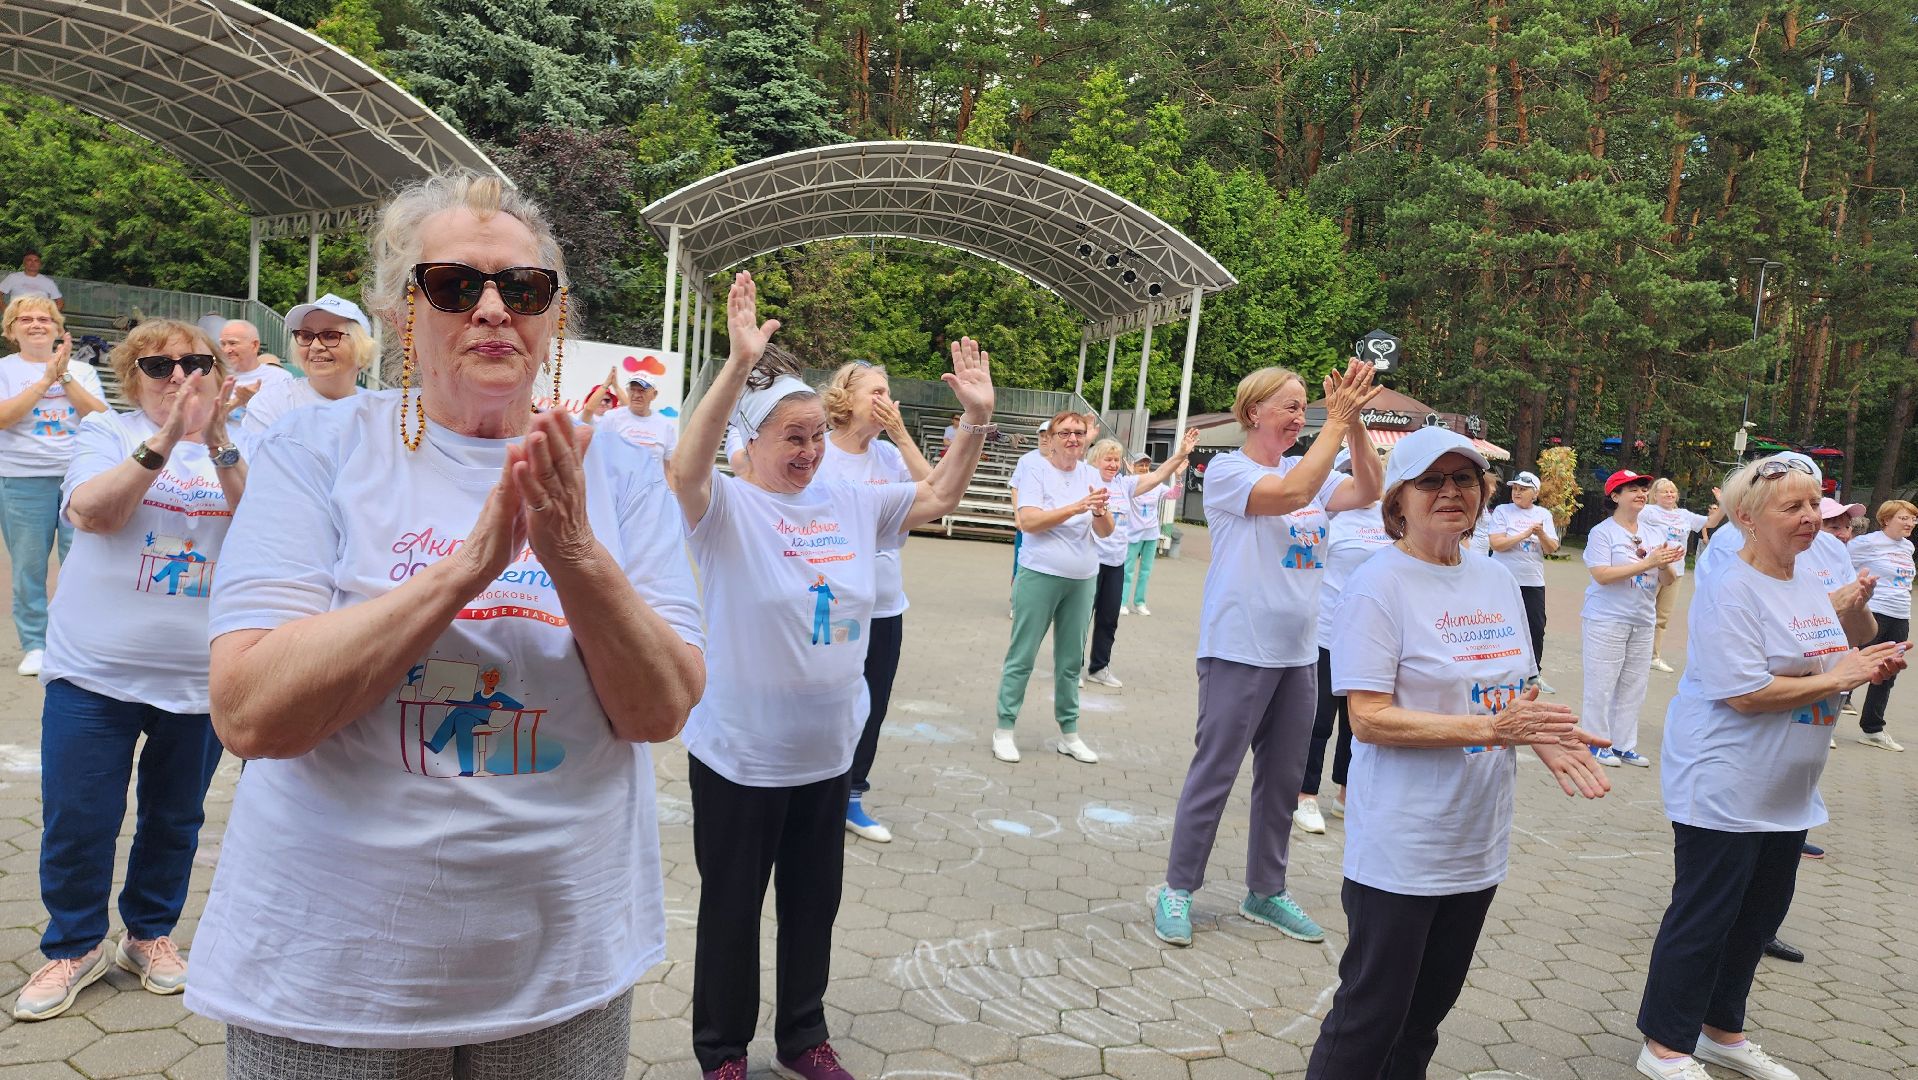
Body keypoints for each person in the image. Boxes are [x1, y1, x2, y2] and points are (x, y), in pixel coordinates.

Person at [186, 172, 707, 1079]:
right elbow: (251, 713)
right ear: (402, 310)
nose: (494, 309)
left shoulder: (617, 473)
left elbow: (659, 710)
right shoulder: (321, 450)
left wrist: (575, 553)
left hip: (559, 967)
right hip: (337, 979)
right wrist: (467, 569)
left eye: (524, 288)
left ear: (554, 314)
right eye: (457, 286)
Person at [668, 272, 993, 1080]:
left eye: (817, 434)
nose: (810, 450)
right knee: (733, 911)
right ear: (751, 443)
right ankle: (723, 1051)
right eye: (792, 437)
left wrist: (977, 423)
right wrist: (740, 365)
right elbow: (685, 468)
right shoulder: (728, 509)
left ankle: (802, 1037)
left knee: (813, 907)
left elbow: (942, 495)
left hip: (824, 756)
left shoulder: (857, 503)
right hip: (740, 758)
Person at [1303, 426, 1610, 1080]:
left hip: (1476, 837)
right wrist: (1490, 733)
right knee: (1370, 1018)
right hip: (1403, 844)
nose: (1450, 492)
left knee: (1423, 1022)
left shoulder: (1496, 579)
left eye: (1463, 479)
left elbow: (1516, 686)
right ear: (1398, 501)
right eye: (1431, 481)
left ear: (1483, 493)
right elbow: (1370, 719)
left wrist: (1546, 735)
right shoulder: (1377, 584)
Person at [1634, 454, 1902, 1080]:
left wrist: (1863, 631)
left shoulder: (1804, 579)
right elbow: (1744, 692)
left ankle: (1721, 1031)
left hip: (1786, 787)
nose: (1811, 518)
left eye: (1816, 505)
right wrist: (1839, 676)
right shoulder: (1729, 588)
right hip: (1726, 781)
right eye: (1795, 507)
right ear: (1748, 519)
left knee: (1757, 918)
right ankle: (1663, 1045)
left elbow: (1845, 646)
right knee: (1705, 917)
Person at [12, 320, 242, 1021]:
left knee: (175, 818)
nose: (179, 376)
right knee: (80, 816)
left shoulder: (241, 444)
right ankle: (73, 944)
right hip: (94, 671)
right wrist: (168, 438)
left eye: (194, 363)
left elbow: (262, 524)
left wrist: (218, 441)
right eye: (159, 365)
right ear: (130, 374)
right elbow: (94, 513)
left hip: (198, 678)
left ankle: (148, 935)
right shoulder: (106, 433)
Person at [1153, 361, 1384, 949]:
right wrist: (1335, 422)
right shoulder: (1230, 471)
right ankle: (1178, 887)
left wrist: (1353, 425)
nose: (1299, 416)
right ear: (1253, 411)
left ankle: (1264, 890)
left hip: (1298, 653)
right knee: (1216, 773)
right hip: (1237, 648)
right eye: (1289, 404)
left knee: (1282, 781)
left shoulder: (1306, 468)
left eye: (1306, 405)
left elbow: (1371, 489)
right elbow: (1292, 494)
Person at [815, 360, 935, 844]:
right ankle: (813, 789)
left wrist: (903, 437)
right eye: (877, 392)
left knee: (873, 701)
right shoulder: (819, 452)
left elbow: (937, 491)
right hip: (832, 604)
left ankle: (852, 795)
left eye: (891, 393)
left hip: (884, 605)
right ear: (846, 397)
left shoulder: (888, 457)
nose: (888, 401)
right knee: (828, 695)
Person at [994, 411, 1112, 764]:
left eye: (1079, 432)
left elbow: (1106, 532)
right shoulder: (1035, 469)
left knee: (1070, 661)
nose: (1073, 439)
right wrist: (1077, 506)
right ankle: (1004, 728)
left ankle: (1069, 733)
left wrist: (1097, 512)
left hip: (1083, 577)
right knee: (1023, 655)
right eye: (1065, 433)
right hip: (1040, 573)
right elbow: (1028, 521)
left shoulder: (1093, 475)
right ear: (1052, 437)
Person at [0, 296, 107, 676]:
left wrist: (62, 375)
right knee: (29, 565)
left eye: (44, 318)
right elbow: (3, 418)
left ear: (58, 328)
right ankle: (35, 643)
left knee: (81, 562)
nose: (36, 324)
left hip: (78, 477)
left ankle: (74, 638)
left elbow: (100, 417)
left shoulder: (81, 370)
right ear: (11, 330)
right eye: (25, 319)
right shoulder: (5, 370)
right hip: (22, 478)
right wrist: (44, 380)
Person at [1296, 447, 1392, 835]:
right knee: (1318, 721)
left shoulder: (1391, 518)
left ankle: (1347, 795)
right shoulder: (1329, 514)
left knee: (1359, 723)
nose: (1359, 478)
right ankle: (1304, 796)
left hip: (1372, 640)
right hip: (1328, 631)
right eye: (1350, 471)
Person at [1581, 470, 1683, 767]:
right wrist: (1648, 563)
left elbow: (1668, 578)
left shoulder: (1654, 533)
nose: (1640, 493)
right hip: (1606, 618)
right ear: (1614, 497)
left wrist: (1663, 564)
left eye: (1642, 488)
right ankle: (1595, 743)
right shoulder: (1603, 532)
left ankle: (1624, 744)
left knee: (1634, 684)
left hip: (1642, 618)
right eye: (1631, 489)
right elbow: (1601, 575)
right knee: (1601, 683)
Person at [1086, 430, 1197, 687]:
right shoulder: (1086, 481)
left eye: (1116, 460)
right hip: (1089, 562)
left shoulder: (1125, 485)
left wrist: (1180, 453)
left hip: (1115, 562)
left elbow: (1158, 475)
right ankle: (1071, 669)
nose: (1113, 464)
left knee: (1108, 618)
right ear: (1095, 461)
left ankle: (1099, 667)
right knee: (1081, 618)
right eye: (1107, 459)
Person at [236, 294, 373, 440]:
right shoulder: (272, 404)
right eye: (307, 336)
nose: (315, 346)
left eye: (330, 336)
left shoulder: (380, 412)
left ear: (361, 346)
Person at [1847, 499, 1915, 752]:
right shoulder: (1867, 543)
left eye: (1913, 519)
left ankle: (1872, 730)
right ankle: (1826, 724)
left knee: (1888, 672)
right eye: (1904, 518)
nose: (1910, 523)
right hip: (1873, 613)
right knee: (1854, 667)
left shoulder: (1907, 547)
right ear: (1886, 520)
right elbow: (1840, 563)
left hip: (1900, 616)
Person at [1489, 470, 1562, 693]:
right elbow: (1496, 544)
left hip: (1532, 580)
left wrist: (1539, 534)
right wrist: (1524, 534)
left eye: (1523, 489)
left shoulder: (1543, 514)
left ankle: (1533, 675)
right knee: (1499, 624)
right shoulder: (1502, 511)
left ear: (1535, 493)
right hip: (1503, 578)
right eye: (1515, 488)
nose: (1517, 492)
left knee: (1535, 627)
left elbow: (1552, 548)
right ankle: (1496, 671)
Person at [1641, 479, 1718, 673]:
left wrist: (1723, 504)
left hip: (1676, 571)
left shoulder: (1683, 515)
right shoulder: (1648, 512)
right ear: (1655, 495)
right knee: (1642, 612)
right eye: (1664, 491)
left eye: (1672, 492)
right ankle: (1635, 653)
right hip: (1651, 568)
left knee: (1662, 616)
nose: (1669, 495)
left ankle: (1653, 656)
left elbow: (1711, 522)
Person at [1122, 451, 1180, 615]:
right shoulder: (1128, 483)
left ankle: (1140, 603)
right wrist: (1132, 475)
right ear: (1133, 466)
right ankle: (1121, 602)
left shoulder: (1157, 485)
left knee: (1146, 571)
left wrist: (1179, 478)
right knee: (1127, 569)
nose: (1144, 467)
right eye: (1140, 464)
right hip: (1133, 532)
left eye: (1146, 465)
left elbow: (1173, 495)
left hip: (1151, 533)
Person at [216, 319, 293, 423]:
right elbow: (204, 421)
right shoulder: (214, 376)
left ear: (255, 345)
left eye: (232, 343)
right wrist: (235, 403)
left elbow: (287, 423)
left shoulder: (280, 378)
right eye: (223, 344)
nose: (226, 350)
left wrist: (255, 402)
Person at [596, 375, 679, 460]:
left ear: (654, 395)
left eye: (642, 391)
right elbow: (598, 455)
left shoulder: (666, 425)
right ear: (628, 391)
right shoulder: (611, 418)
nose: (636, 395)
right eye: (633, 390)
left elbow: (669, 467)